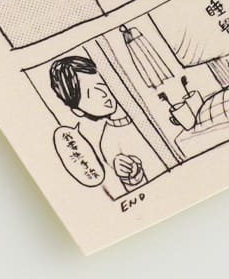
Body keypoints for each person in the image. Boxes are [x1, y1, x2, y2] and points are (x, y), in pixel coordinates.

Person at [49, 55, 165, 197]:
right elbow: (140, 190)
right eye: (90, 94)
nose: (103, 94)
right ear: (78, 111)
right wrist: (131, 174)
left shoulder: (144, 103)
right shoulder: (108, 142)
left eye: (101, 85)